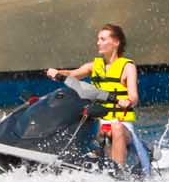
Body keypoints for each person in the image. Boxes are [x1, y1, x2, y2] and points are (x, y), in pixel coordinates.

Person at [45, 24, 139, 168]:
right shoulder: (94, 66)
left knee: (116, 128)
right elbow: (72, 74)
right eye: (98, 39)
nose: (98, 42)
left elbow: (134, 96)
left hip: (121, 124)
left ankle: (119, 171)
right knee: (81, 126)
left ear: (116, 42)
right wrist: (57, 72)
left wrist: (128, 101)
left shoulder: (128, 67)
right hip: (98, 122)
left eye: (102, 39)